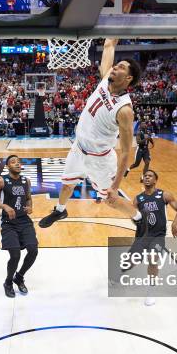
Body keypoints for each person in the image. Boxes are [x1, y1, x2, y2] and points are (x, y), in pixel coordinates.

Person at [38, 34, 146, 233]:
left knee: (110, 200)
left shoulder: (125, 110)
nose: (115, 67)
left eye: (121, 67)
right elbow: (109, 43)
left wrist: (116, 185)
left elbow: (125, 152)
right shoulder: (106, 79)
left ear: (128, 78)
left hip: (100, 160)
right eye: (116, 65)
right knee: (66, 185)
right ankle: (60, 210)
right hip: (78, 148)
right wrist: (120, 9)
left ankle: (139, 218)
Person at [126, 170, 177, 306]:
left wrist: (174, 225)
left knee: (152, 260)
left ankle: (151, 291)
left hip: (158, 236)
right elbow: (132, 216)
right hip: (142, 236)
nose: (147, 177)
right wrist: (136, 221)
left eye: (150, 176)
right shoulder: (138, 199)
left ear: (155, 180)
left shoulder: (164, 195)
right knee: (131, 262)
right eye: (145, 176)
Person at [0, 155, 38, 298]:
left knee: (33, 250)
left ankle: (19, 277)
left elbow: (28, 198)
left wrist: (30, 207)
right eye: (13, 162)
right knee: (15, 254)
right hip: (8, 222)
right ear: (8, 166)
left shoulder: (25, 180)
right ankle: (8, 282)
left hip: (24, 220)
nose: (17, 164)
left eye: (18, 162)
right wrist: (4, 206)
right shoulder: (1, 181)